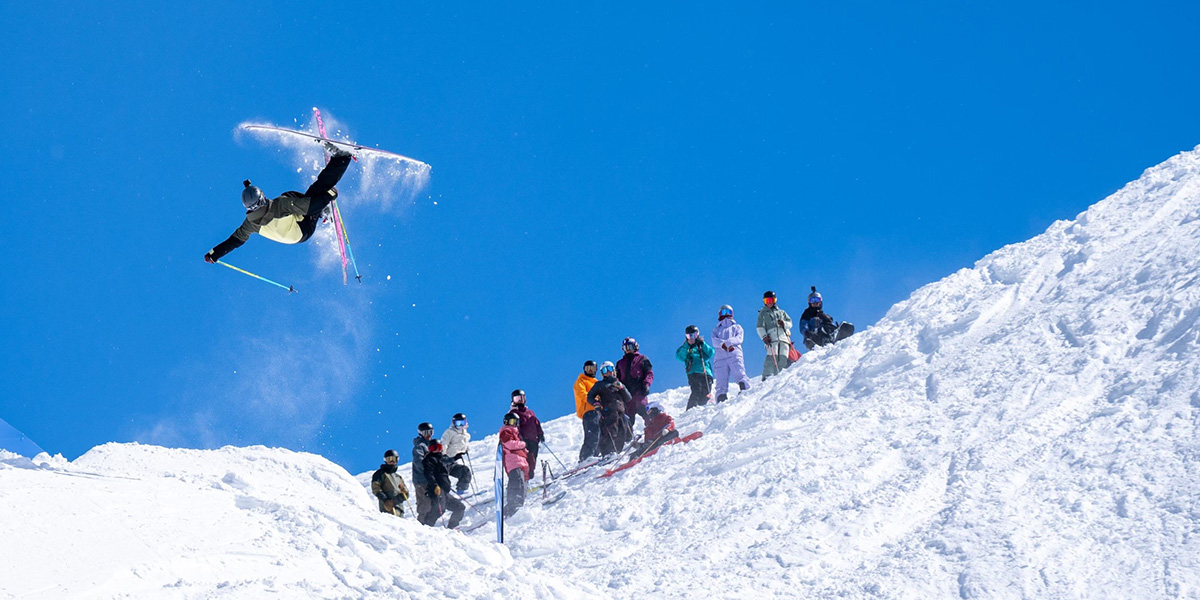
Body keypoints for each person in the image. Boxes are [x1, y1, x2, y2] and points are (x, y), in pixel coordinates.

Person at [204, 148, 354, 263]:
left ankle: (321, 209)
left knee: (292, 196)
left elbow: (234, 241)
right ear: (262, 197)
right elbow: (309, 206)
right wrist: (329, 196)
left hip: (294, 237)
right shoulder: (280, 206)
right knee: (315, 192)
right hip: (304, 228)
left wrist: (214, 254)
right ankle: (342, 158)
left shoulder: (249, 224)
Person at [586, 361, 634, 455]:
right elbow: (589, 396)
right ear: (602, 373)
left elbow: (628, 398)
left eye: (610, 369)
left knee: (623, 430)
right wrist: (596, 403)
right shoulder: (600, 385)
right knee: (610, 432)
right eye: (605, 370)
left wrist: (622, 388)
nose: (608, 372)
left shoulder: (618, 383)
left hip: (621, 411)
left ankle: (622, 448)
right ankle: (608, 453)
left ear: (614, 370)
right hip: (608, 412)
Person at [711, 304, 752, 403]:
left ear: (732, 314)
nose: (726, 315)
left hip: (733, 352)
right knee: (721, 378)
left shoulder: (736, 327)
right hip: (720, 356)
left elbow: (739, 338)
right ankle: (721, 397)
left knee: (739, 372)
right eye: (723, 312)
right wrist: (722, 345)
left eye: (728, 312)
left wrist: (728, 343)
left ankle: (744, 388)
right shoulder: (717, 329)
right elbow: (714, 340)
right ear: (720, 314)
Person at [420, 440, 466, 528]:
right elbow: (428, 474)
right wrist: (434, 485)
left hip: (444, 491)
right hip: (436, 490)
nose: (437, 450)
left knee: (459, 507)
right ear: (430, 450)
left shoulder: (441, 459)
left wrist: (456, 457)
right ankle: (425, 527)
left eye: (439, 447)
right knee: (439, 509)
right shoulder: (429, 459)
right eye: (434, 448)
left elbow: (448, 460)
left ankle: (452, 527)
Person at [615, 337, 654, 429]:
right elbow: (617, 378)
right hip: (626, 395)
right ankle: (628, 438)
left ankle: (654, 429)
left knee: (644, 410)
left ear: (635, 347)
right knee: (627, 418)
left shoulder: (642, 359)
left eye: (630, 347)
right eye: (626, 348)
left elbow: (649, 373)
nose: (628, 350)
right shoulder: (620, 363)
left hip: (639, 391)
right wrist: (618, 390)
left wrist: (646, 384)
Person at [675, 325, 715, 409]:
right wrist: (687, 345)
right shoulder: (686, 348)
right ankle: (691, 409)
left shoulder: (701, 346)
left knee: (706, 393)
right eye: (689, 336)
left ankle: (700, 409)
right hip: (694, 373)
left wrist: (702, 344)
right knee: (696, 391)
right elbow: (680, 357)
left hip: (705, 372)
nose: (692, 338)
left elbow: (711, 353)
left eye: (694, 335)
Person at [499, 412, 531, 517]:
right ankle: (513, 504)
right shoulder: (506, 431)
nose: (513, 424)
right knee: (516, 481)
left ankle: (516, 504)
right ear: (506, 422)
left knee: (521, 483)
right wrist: (523, 444)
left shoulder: (516, 434)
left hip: (519, 461)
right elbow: (509, 444)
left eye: (515, 422)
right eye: (511, 421)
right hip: (512, 461)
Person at [756, 291, 793, 380]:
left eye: (771, 300)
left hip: (783, 337)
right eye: (767, 300)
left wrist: (784, 323)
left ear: (775, 300)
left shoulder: (781, 312)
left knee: (783, 356)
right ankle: (767, 375)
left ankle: (781, 375)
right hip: (772, 338)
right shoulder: (763, 313)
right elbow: (759, 327)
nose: (769, 303)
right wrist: (764, 337)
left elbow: (790, 323)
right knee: (773, 356)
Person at [509, 389, 545, 475]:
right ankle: (522, 481)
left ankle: (527, 479)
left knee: (532, 461)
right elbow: (514, 428)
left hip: (533, 440)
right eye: (517, 399)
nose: (520, 401)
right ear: (513, 401)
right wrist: (519, 439)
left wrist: (540, 434)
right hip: (523, 441)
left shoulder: (530, 412)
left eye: (522, 398)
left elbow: (536, 423)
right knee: (524, 462)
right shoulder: (514, 413)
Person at [574, 360, 601, 462]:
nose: (590, 371)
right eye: (587, 369)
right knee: (592, 433)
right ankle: (585, 457)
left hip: (598, 410)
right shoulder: (581, 381)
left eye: (592, 369)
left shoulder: (596, 383)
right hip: (589, 411)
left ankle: (596, 455)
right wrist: (594, 400)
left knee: (599, 433)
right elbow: (582, 394)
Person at [370, 449, 409, 517]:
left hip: (399, 508)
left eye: (394, 459)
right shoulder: (380, 474)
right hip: (387, 508)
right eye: (389, 459)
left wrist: (405, 492)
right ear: (385, 460)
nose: (392, 461)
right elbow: (376, 489)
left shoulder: (398, 477)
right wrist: (385, 500)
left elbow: (405, 495)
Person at [440, 413, 472, 493]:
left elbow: (462, 443)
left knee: (465, 471)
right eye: (458, 423)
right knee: (443, 479)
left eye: (462, 423)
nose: (460, 425)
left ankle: (461, 490)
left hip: (453, 461)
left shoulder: (465, 434)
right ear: (453, 423)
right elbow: (444, 443)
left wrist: (465, 449)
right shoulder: (449, 432)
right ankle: (444, 497)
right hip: (445, 460)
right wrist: (443, 455)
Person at [411, 422, 435, 525]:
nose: (428, 435)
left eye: (430, 432)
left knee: (433, 502)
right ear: (421, 433)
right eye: (426, 432)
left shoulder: (430, 445)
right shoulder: (420, 446)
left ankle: (429, 524)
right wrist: (428, 471)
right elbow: (419, 461)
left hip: (429, 479)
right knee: (424, 504)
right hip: (421, 480)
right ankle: (421, 525)